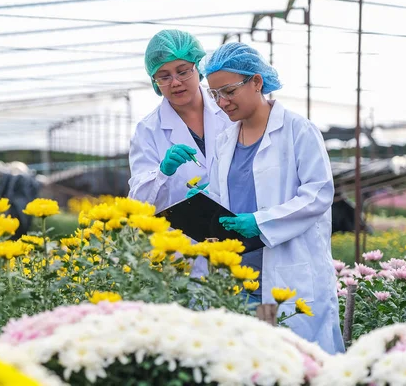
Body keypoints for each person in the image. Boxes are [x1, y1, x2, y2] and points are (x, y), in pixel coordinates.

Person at [201, 42, 344, 354]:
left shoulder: (298, 130)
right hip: (238, 273)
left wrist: (261, 222)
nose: (222, 102)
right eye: (214, 94)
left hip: (287, 270)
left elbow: (318, 193)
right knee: (245, 362)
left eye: (228, 91)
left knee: (296, 361)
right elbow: (220, 194)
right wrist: (201, 204)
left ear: (256, 81)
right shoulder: (224, 140)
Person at [128, 30, 232, 214]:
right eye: (164, 76)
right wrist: (162, 173)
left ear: (198, 68)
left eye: (183, 71)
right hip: (180, 239)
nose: (175, 82)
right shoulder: (147, 131)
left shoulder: (228, 109)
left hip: (234, 231)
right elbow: (137, 204)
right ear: (155, 81)